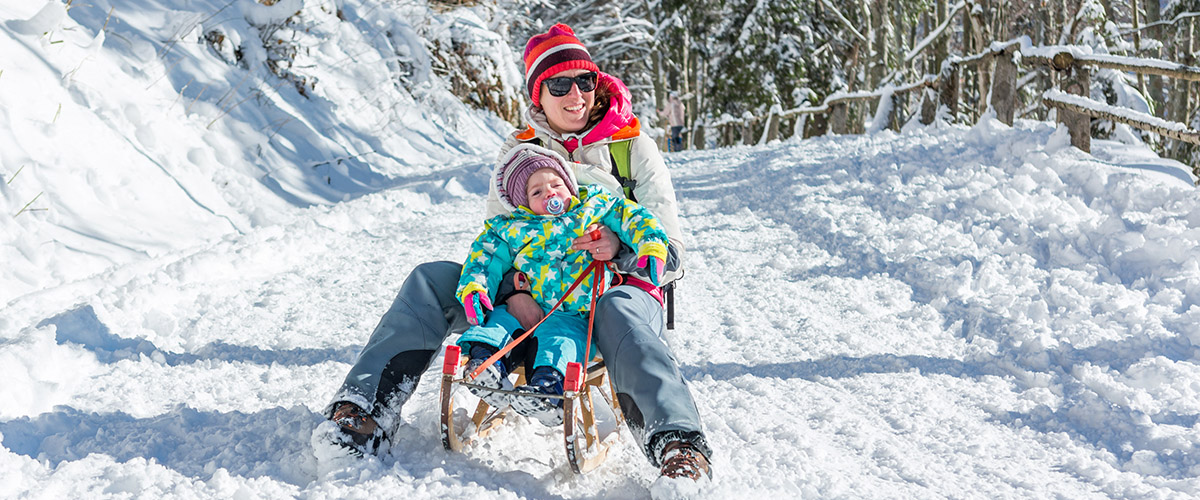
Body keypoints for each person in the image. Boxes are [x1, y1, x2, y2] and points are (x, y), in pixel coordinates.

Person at [314, 22, 712, 481]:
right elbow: (496, 237)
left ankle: (679, 445)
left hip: (611, 291)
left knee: (619, 309)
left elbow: (672, 253)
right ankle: (365, 409)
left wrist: (620, 248)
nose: (576, 94)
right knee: (430, 279)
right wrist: (510, 292)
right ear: (538, 94)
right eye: (559, 85)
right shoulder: (518, 150)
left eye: (585, 80)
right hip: (532, 288)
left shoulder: (631, 146)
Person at [454, 144, 668, 427]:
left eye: (556, 185)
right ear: (523, 204)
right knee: (497, 321)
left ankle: (548, 392)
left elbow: (634, 217)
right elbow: (484, 258)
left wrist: (650, 244)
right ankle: (484, 365)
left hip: (573, 312)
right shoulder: (511, 228)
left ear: (570, 186)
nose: (549, 193)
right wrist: (474, 289)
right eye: (536, 192)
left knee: (560, 341)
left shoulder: (595, 207)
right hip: (526, 303)